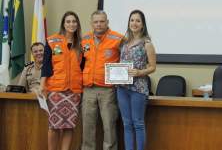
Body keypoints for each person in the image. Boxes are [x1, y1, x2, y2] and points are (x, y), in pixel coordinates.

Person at [40, 11, 83, 150]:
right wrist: (42, 85)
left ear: (78, 24)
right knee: (54, 125)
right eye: (68, 21)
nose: (71, 24)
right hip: (55, 91)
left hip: (74, 92)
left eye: (74, 21)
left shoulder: (82, 44)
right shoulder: (52, 41)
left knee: (69, 126)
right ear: (63, 24)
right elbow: (46, 65)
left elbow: (84, 67)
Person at [81, 10, 123, 150]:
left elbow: (127, 60)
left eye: (102, 21)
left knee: (109, 125)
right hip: (88, 89)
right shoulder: (84, 39)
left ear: (107, 22)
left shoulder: (118, 39)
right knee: (87, 125)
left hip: (108, 90)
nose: (98, 24)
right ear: (91, 23)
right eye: (96, 22)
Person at [117, 10, 156, 150]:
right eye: (132, 20)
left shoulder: (147, 43)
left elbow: (152, 67)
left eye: (138, 21)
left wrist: (140, 72)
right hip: (122, 88)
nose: (134, 23)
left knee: (138, 123)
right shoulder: (124, 42)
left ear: (143, 24)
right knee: (126, 124)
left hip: (138, 88)